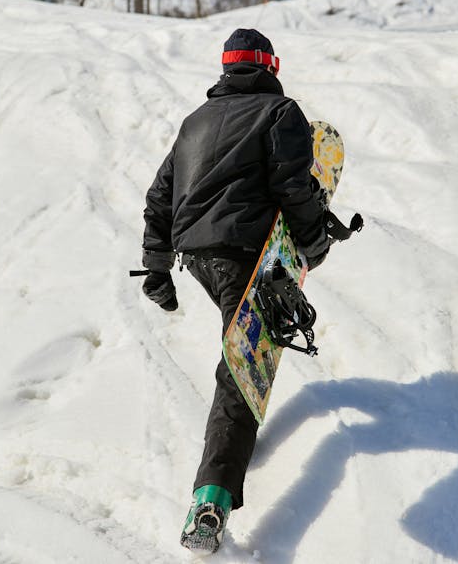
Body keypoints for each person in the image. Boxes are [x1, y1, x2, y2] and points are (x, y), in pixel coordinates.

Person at [141, 28, 330, 551]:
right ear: (270, 65)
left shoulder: (193, 123)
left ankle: (220, 475)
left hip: (196, 257)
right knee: (243, 372)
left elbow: (159, 198)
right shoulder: (280, 113)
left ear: (226, 68)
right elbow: (293, 184)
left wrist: (157, 269)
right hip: (246, 254)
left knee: (240, 356)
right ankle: (210, 500)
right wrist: (313, 242)